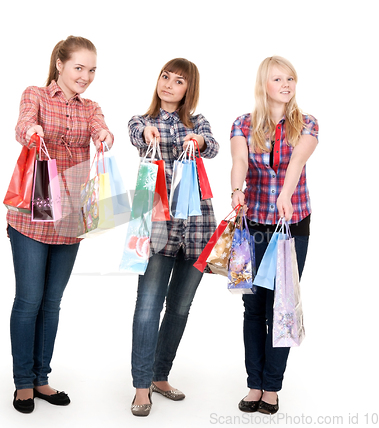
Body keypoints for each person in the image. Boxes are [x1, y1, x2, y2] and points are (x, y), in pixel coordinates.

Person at [7, 36, 113, 413]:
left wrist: (104, 135)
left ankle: (41, 379)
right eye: (79, 68)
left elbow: (102, 127)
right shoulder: (35, 94)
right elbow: (23, 123)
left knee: (51, 303)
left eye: (92, 70)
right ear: (60, 65)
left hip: (69, 218)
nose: (85, 76)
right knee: (29, 300)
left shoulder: (91, 108)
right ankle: (23, 382)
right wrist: (31, 131)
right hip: (32, 218)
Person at [128, 58, 219, 416]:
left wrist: (197, 138)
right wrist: (150, 135)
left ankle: (159, 375)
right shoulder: (142, 121)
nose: (168, 84)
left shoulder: (198, 122)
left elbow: (210, 145)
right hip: (157, 226)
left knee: (180, 307)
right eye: (165, 76)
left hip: (196, 228)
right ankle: (140, 385)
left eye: (178, 80)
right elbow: (137, 136)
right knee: (148, 306)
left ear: (188, 89)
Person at [230, 56, 318, 415]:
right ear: (263, 84)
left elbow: (296, 162)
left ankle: (272, 387)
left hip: (291, 226)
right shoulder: (243, 123)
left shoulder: (307, 123)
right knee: (253, 306)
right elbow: (238, 162)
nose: (286, 84)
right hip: (252, 226)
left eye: (291, 79)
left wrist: (285, 194)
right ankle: (254, 384)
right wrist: (237, 191)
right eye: (278, 78)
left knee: (280, 306)